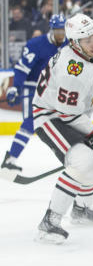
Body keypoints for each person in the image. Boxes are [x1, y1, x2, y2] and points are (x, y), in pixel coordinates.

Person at [31, 13, 93, 243]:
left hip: (73, 112)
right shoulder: (70, 71)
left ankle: (82, 209)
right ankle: (49, 222)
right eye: (87, 40)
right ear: (74, 43)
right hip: (50, 116)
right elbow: (67, 114)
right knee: (83, 159)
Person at [2, 15, 67, 174]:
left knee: (64, 122)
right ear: (51, 30)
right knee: (30, 123)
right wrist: (15, 87)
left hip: (54, 91)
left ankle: (72, 158)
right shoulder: (35, 45)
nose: (61, 34)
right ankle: (11, 159)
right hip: (33, 89)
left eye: (63, 30)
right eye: (58, 30)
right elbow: (22, 69)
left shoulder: (68, 45)